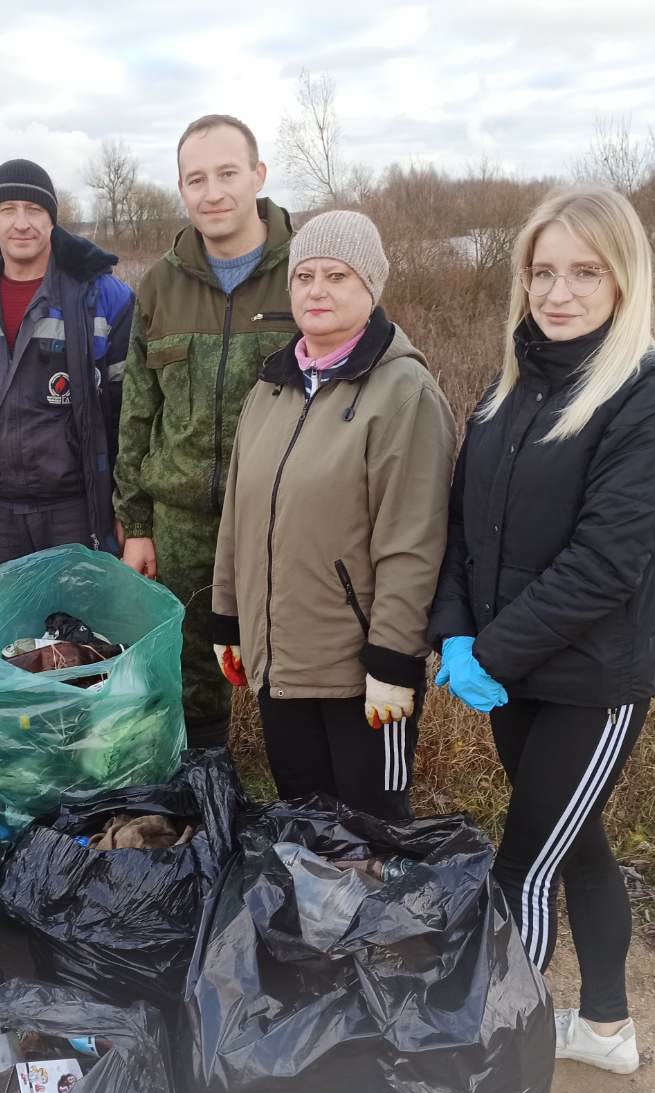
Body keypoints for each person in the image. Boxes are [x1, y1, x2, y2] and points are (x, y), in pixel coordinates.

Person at [427, 185, 655, 1075]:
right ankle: (609, 1029)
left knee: (525, 866)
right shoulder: (506, 392)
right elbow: (464, 533)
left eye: (585, 271)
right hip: (508, 675)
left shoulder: (650, 399)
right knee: (574, 841)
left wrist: (494, 648)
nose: (560, 291)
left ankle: (494, 1066)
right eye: (543, 271)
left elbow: (605, 562)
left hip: (589, 679)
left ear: (623, 278)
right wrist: (458, 636)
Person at [211, 211, 454, 819]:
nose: (317, 290)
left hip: (362, 678)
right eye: (305, 276)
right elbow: (237, 516)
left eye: (338, 276)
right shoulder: (271, 388)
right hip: (278, 664)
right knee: (305, 830)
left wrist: (395, 661)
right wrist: (227, 619)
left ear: (371, 287)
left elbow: (413, 541)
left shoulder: (404, 393)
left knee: (372, 837)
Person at [115, 114, 297, 749]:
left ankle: (305, 797)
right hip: (182, 519)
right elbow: (137, 411)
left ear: (258, 175)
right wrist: (135, 523)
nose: (213, 192)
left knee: (291, 656)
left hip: (282, 514)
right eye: (197, 179)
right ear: (182, 189)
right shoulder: (160, 285)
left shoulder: (307, 269)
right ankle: (208, 783)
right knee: (193, 668)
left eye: (227, 173)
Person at [0, 159, 133, 565]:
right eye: (7, 210)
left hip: (75, 503)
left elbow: (128, 413)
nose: (22, 223)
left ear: (52, 219)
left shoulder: (105, 296)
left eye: (34, 210)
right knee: (15, 624)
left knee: (77, 624)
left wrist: (126, 509)